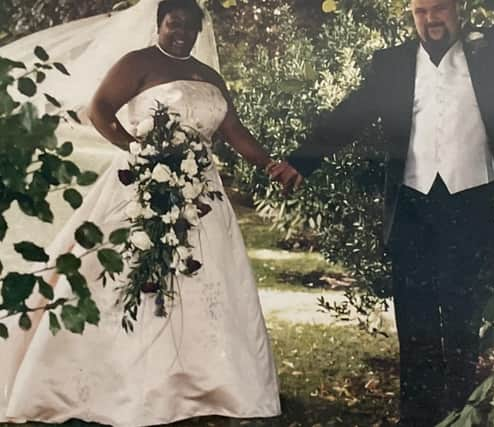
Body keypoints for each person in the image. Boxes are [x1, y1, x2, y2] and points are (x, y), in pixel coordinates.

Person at [273, 0, 494, 425]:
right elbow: (351, 113)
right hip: (412, 207)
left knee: (464, 322)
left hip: (470, 204)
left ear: (458, 10)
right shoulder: (391, 64)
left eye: (440, 10)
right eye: (421, 11)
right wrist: (302, 160)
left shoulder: (492, 54)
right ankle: (418, 417)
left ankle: (460, 416)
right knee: (416, 325)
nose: (431, 20)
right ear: (411, 15)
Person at [0, 0, 295, 425]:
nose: (182, 34)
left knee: (204, 280)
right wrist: (139, 150)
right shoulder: (137, 63)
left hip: (201, 196)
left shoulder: (209, 76)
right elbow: (98, 109)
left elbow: (233, 131)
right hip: (140, 184)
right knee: (129, 274)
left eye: (190, 27)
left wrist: (270, 164)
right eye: (174, 25)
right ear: (159, 24)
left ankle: (199, 385)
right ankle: (120, 389)